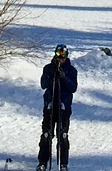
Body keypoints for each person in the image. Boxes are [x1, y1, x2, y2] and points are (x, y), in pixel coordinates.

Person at [36, 43, 78, 171]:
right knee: (46, 134)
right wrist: (51, 74)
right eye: (58, 55)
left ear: (66, 56)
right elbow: (43, 84)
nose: (60, 59)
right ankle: (43, 162)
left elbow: (73, 88)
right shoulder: (48, 68)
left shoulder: (71, 70)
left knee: (63, 135)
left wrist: (64, 77)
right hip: (50, 106)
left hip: (64, 106)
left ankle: (63, 163)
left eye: (63, 56)